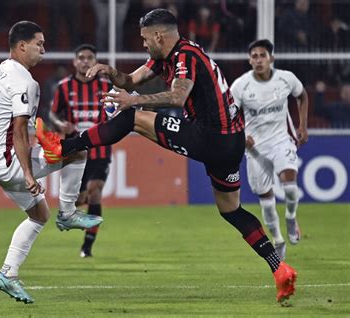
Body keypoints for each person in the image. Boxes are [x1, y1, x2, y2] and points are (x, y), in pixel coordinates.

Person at [37, 9, 297, 303]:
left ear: (159, 35)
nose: (143, 44)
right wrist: (110, 72)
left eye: (145, 39)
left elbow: (177, 97)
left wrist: (132, 101)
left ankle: (61, 148)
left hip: (211, 138)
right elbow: (131, 80)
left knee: (131, 117)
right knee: (231, 210)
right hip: (231, 142)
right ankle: (280, 269)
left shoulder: (185, 57)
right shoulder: (167, 57)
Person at [0, 21, 103, 304]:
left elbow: (9, 122)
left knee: (39, 216)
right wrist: (27, 173)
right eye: (40, 44)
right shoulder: (25, 80)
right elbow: (19, 129)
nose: (43, 50)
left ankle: (7, 274)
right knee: (79, 150)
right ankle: (69, 213)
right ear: (22, 46)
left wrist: (41, 140)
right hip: (10, 160)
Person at [230, 39, 308, 261]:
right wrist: (243, 136)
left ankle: (291, 217)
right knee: (266, 198)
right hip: (255, 149)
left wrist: (302, 125)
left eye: (262, 55)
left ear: (271, 58)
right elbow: (230, 115)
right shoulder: (240, 86)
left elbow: (302, 95)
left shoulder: (286, 78)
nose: (258, 60)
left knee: (291, 188)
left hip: (281, 140)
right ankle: (277, 239)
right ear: (249, 60)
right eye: (254, 56)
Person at [49, 44, 113, 258]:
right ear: (75, 62)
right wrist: (60, 124)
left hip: (100, 150)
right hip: (75, 152)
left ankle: (87, 247)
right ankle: (75, 208)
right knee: (78, 200)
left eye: (90, 58)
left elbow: (116, 111)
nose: (85, 61)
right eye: (81, 57)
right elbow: (53, 114)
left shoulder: (106, 86)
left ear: (95, 62)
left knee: (95, 192)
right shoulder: (64, 87)